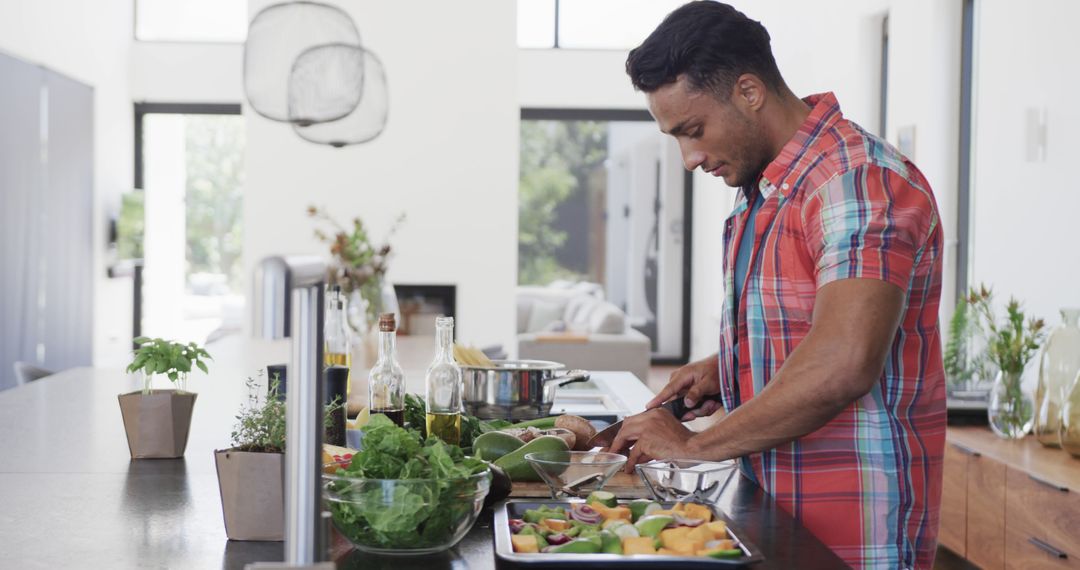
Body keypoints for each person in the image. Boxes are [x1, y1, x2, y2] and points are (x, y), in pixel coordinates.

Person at [606, 2, 946, 568]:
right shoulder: (767, 192)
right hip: (777, 519)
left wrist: (691, 446)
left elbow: (843, 363)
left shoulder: (856, 181)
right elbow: (815, 325)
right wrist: (733, 365)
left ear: (748, 91)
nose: (689, 158)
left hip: (857, 538)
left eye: (693, 130)